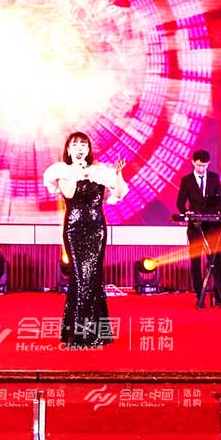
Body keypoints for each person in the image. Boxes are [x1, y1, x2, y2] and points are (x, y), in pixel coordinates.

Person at [43, 132, 127, 348]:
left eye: (83, 144)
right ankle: (78, 334)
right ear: (68, 149)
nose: (80, 148)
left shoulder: (100, 171)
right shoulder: (62, 170)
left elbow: (118, 193)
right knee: (81, 277)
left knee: (94, 277)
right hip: (74, 229)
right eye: (75, 145)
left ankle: (97, 333)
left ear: (89, 149)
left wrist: (118, 174)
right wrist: (76, 170)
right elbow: (70, 194)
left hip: (97, 229)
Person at [176, 149, 221, 310]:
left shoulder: (214, 178)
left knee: (217, 259)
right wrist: (186, 212)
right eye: (199, 165)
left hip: (213, 225)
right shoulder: (186, 180)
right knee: (196, 261)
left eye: (205, 166)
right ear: (193, 162)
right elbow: (180, 203)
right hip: (195, 225)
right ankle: (200, 296)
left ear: (208, 164)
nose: (201, 168)